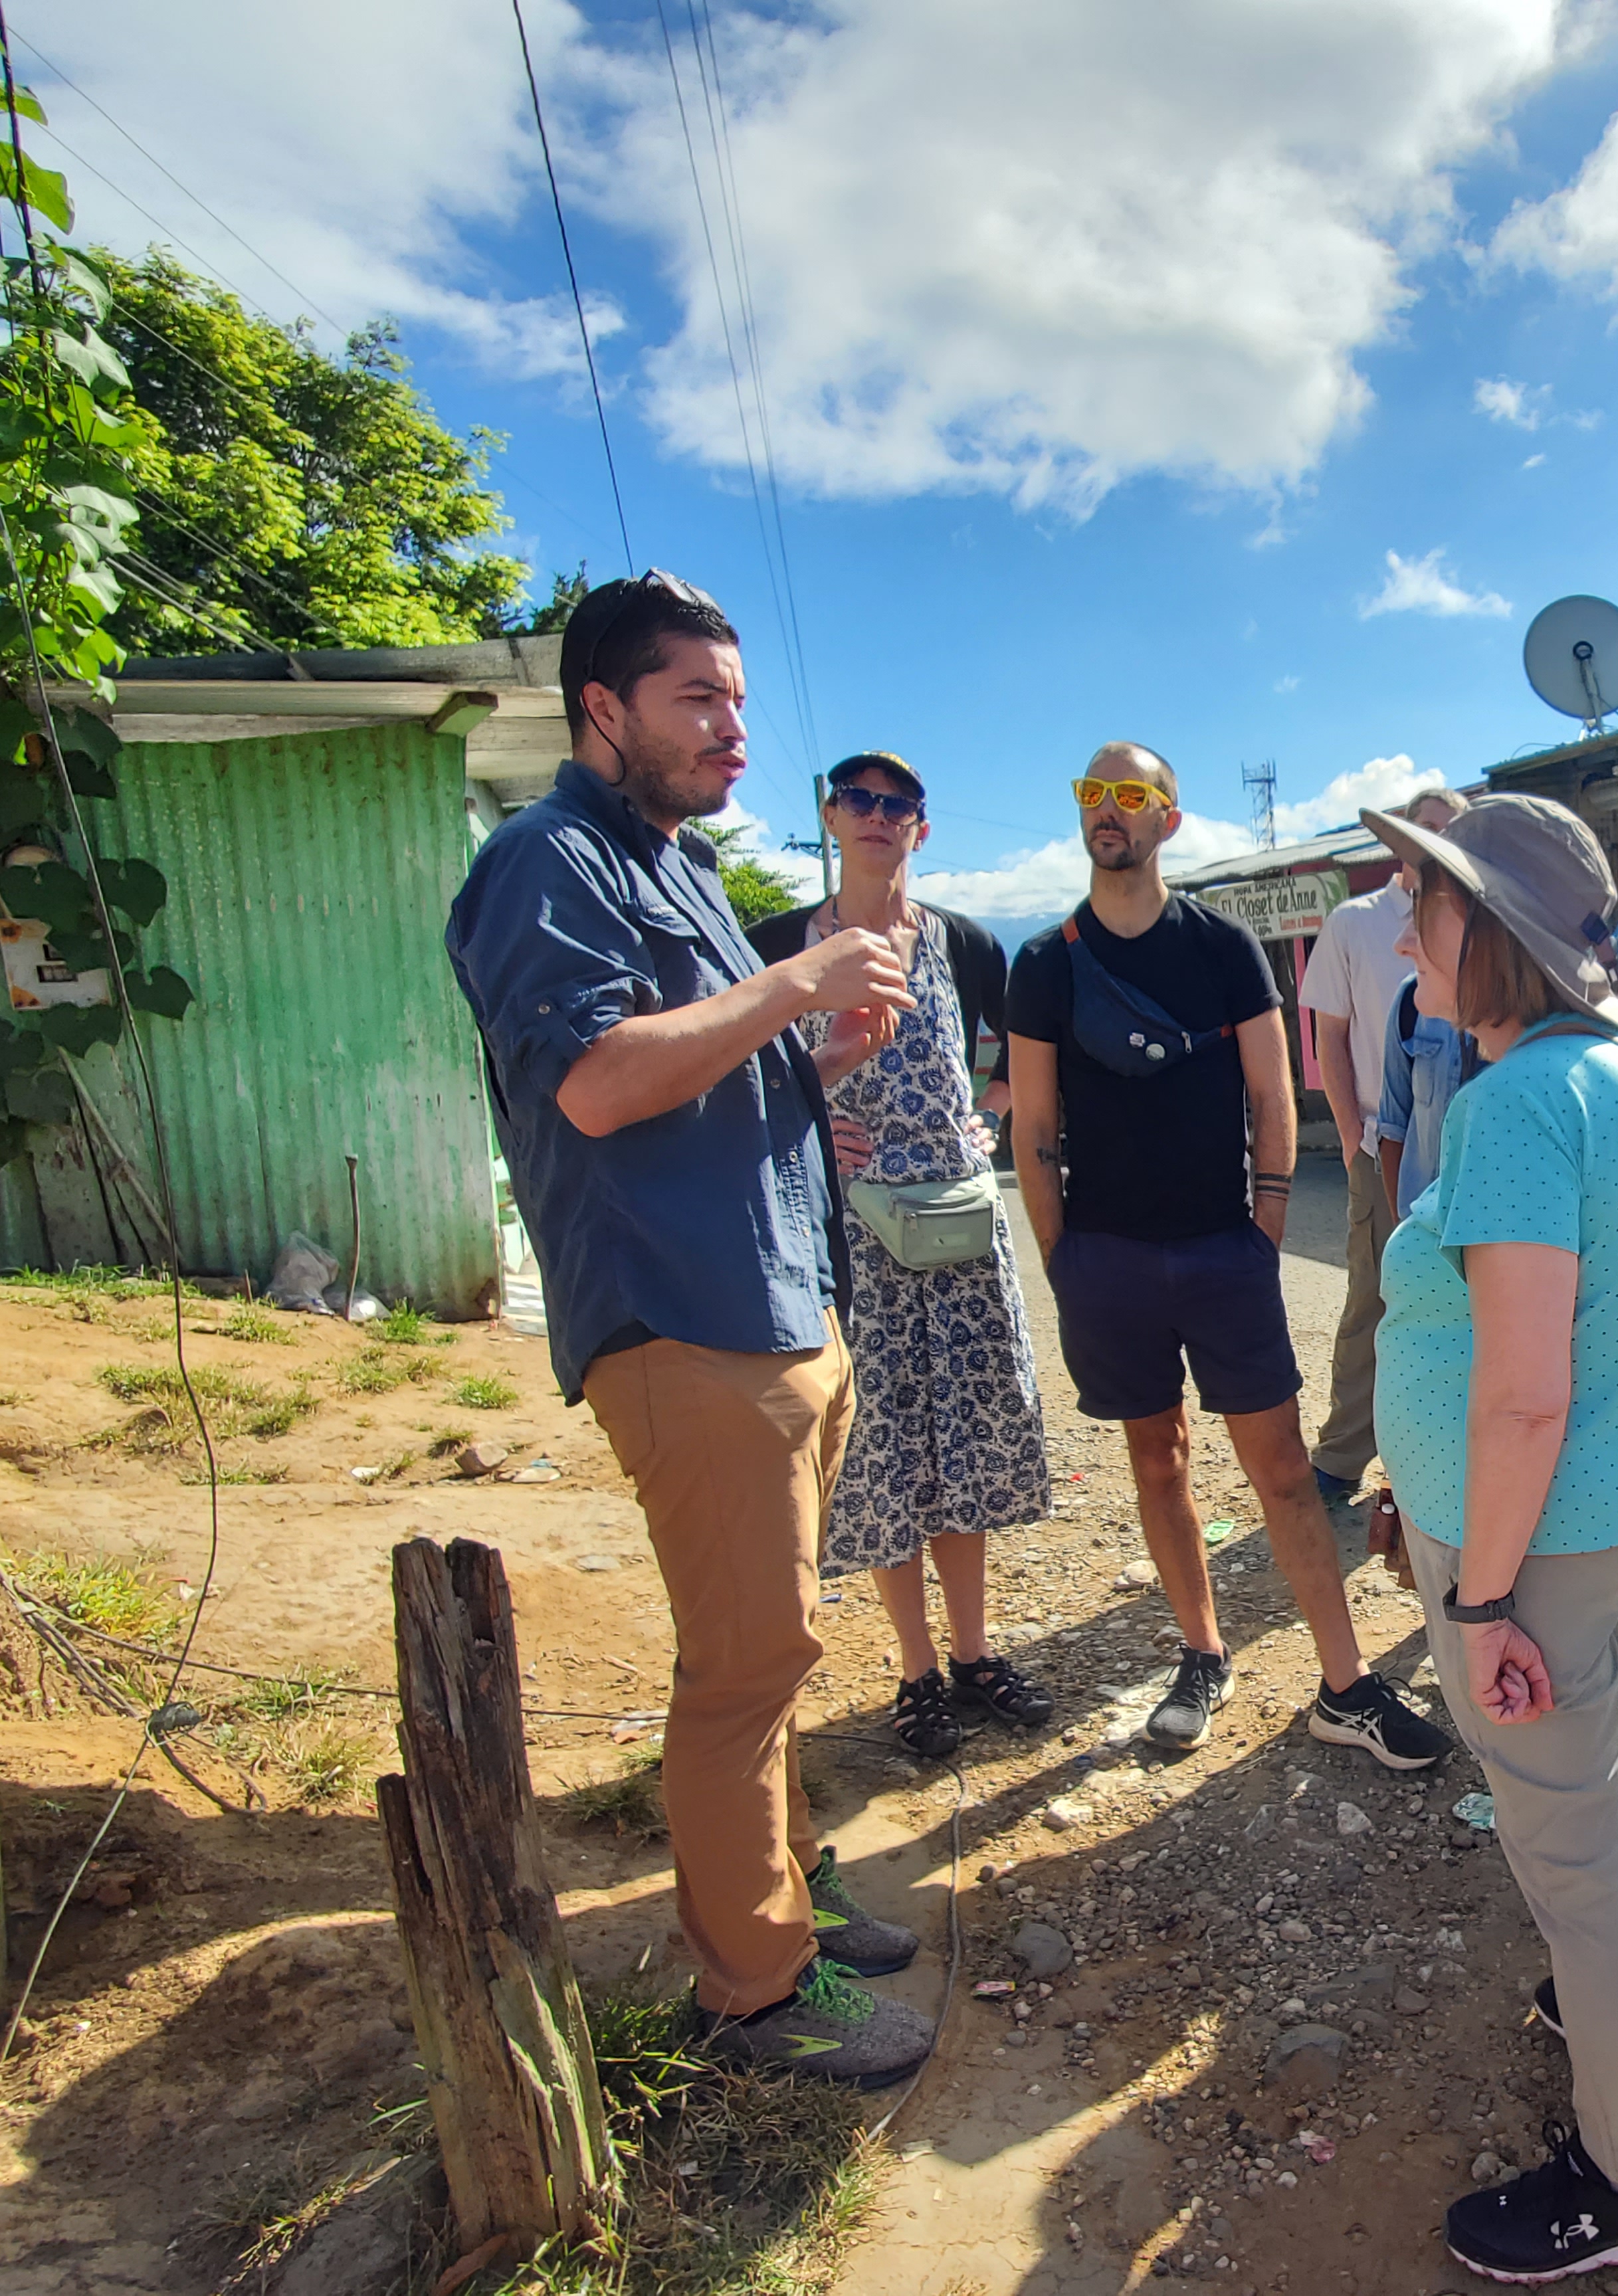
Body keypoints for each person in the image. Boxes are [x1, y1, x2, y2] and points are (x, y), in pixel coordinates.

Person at [446, 571, 932, 2086]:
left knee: (774, 1648)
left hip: (779, 1308)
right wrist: (797, 979)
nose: (734, 729)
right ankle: (755, 1990)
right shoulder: (547, 859)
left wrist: (820, 1066)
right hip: (682, 1322)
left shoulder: (678, 861)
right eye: (696, 699)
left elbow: (705, 1081)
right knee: (744, 1664)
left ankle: (779, 1890)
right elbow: (592, 1082)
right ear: (602, 709)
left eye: (736, 698)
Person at [1362, 792, 1618, 2283]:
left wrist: (1483, 1596)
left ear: (1487, 928)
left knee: (1577, 1852)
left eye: (1424, 897)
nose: (1403, 922)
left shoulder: (1519, 1102)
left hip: (1538, 1533)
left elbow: (1520, 1396)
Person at [1003, 744, 1451, 1769]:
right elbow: (1034, 1129)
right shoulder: (1044, 963)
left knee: (1285, 1471)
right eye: (1093, 795)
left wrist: (1263, 1230)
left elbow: (1270, 1096)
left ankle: (1346, 1687)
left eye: (1131, 795)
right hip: (1107, 1259)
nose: (1108, 811)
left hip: (1221, 1252)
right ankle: (1202, 1654)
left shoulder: (1221, 947)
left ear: (1168, 814)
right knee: (1155, 1459)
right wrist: (1062, 1257)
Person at [748, 754, 1055, 1760]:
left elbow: (1015, 1064)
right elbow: (741, 1078)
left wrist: (983, 1118)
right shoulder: (775, 948)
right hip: (852, 1235)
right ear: (831, 817)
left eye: (900, 805)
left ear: (922, 828)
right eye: (861, 801)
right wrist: (802, 1124)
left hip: (958, 1227)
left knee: (964, 1439)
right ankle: (915, 1670)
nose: (880, 818)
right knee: (882, 1454)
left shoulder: (965, 944)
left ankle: (973, 1655)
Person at [1301, 785, 1469, 1501]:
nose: (1433, 842)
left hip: (1465, 1145)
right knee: (1378, 1299)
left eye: (1447, 832)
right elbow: (1329, 1037)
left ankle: (1434, 1468)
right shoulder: (1356, 922)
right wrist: (1349, 1138)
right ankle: (1343, 1456)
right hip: (1383, 1141)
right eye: (1423, 830)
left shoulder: (1472, 921)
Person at [1374, 970, 1476, 1222]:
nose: (1403, 943)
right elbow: (1392, 1128)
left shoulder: (1532, 1003)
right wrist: (1404, 1235)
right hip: (1426, 1234)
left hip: (1504, 1239)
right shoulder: (1413, 998)